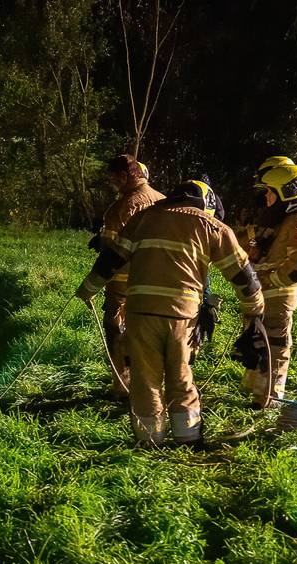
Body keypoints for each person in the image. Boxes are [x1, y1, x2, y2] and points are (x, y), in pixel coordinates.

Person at [76, 180, 265, 446]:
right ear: (207, 205)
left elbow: (111, 260)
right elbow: (242, 273)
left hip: (140, 312)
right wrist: (255, 307)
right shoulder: (211, 226)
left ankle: (149, 439)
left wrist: (88, 290)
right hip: (181, 316)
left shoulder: (143, 218)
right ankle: (187, 438)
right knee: (180, 376)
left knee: (144, 379)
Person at [88, 154, 166, 399]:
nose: (112, 184)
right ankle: (153, 384)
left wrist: (92, 285)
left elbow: (110, 254)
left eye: (113, 179)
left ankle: (122, 385)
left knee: (115, 328)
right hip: (159, 280)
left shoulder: (119, 208)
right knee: (151, 332)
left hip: (124, 282)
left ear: (123, 176)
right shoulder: (164, 201)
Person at [242, 163, 297, 408]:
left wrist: (272, 280)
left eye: (271, 192)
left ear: (287, 192)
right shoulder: (279, 218)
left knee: (274, 345)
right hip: (263, 292)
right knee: (257, 340)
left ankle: (269, 397)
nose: (266, 197)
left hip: (279, 295)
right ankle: (255, 389)